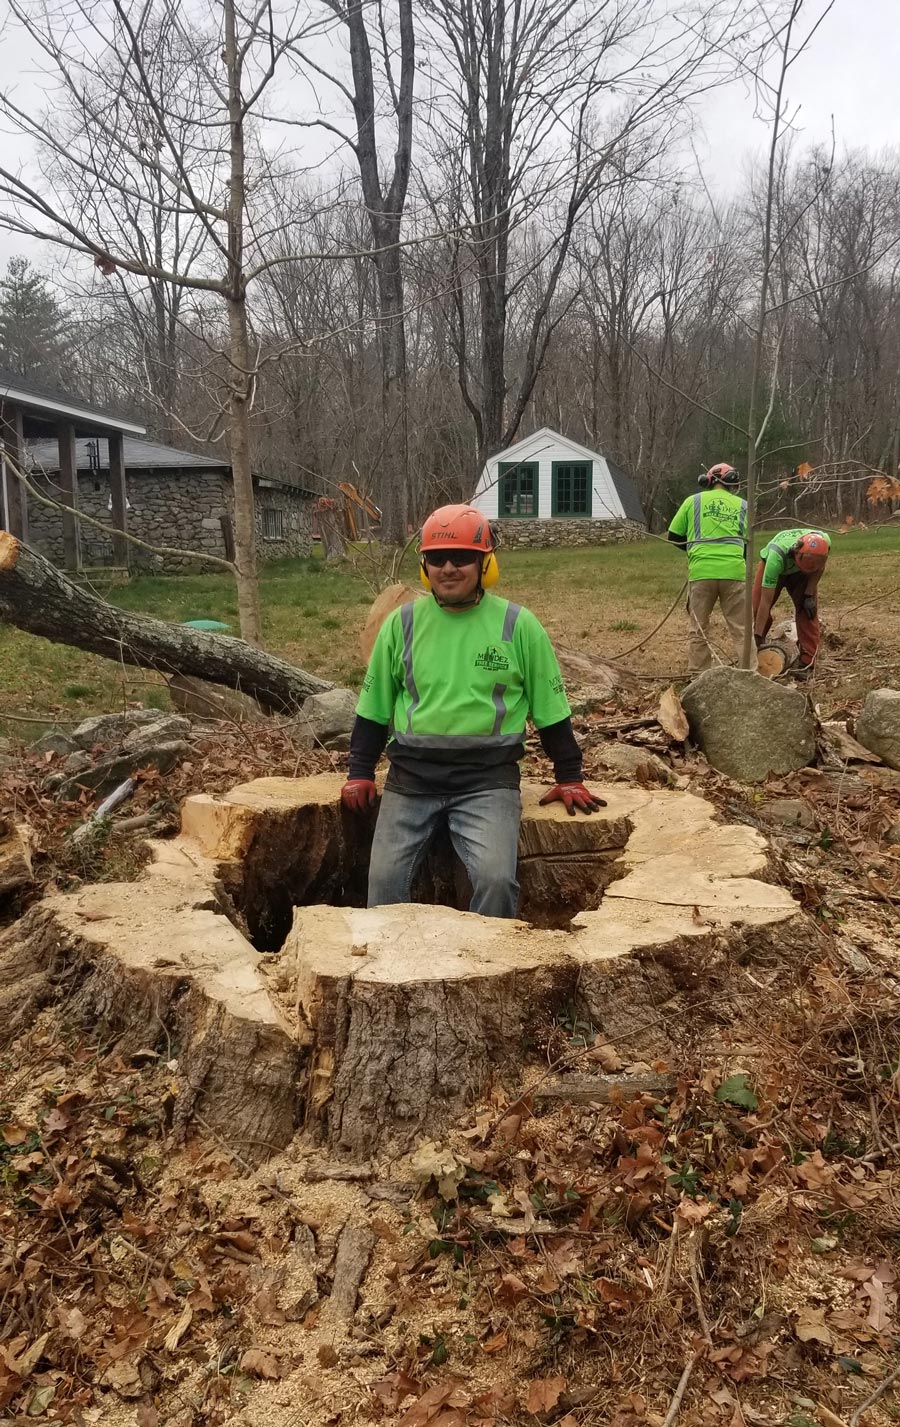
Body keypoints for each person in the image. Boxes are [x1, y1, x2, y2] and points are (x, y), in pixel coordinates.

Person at [340, 503, 604, 919]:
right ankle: (389, 973)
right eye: (437, 559)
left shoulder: (518, 625)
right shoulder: (401, 624)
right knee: (383, 882)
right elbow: (373, 707)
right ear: (425, 565)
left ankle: (491, 966)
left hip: (488, 781)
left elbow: (550, 708)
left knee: (497, 881)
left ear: (485, 563)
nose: (449, 568)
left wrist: (569, 776)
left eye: (462, 558)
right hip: (411, 780)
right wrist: (359, 771)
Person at [667, 463, 750, 672]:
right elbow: (748, 543)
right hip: (734, 572)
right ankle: (750, 673)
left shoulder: (693, 501)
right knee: (742, 629)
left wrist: (696, 553)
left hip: (702, 571)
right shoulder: (744, 505)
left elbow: (674, 536)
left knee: (699, 629)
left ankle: (698, 675)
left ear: (710, 479)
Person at [752, 527, 831, 677]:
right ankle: (757, 644)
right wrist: (757, 634)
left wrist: (809, 593)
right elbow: (765, 601)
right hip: (778, 566)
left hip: (801, 573)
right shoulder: (775, 558)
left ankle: (807, 663)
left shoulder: (823, 544)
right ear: (796, 552)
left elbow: (819, 568)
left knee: (807, 613)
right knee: (756, 609)